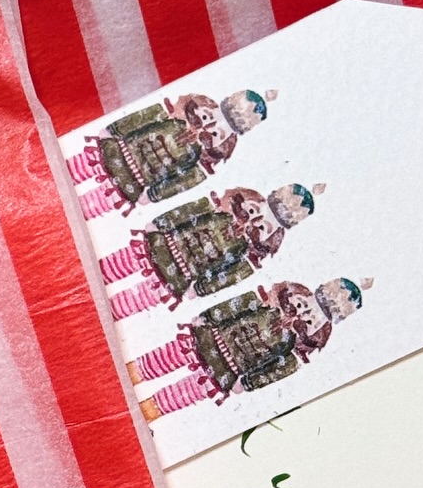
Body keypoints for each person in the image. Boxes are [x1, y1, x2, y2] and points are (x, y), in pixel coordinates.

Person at [129, 276, 369, 421]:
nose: (304, 314)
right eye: (305, 306)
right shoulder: (281, 296)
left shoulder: (308, 341)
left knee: (185, 393)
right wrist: (210, 316)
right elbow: (243, 303)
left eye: (313, 319)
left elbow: (282, 367)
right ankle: (130, 375)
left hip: (231, 369)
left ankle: (146, 413)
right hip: (212, 337)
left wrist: (248, 383)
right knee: (164, 358)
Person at [98, 183, 321, 317]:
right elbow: (194, 210)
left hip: (182, 276)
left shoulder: (256, 249)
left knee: (131, 303)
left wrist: (200, 290)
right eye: (252, 212)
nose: (250, 222)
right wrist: (162, 222)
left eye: (263, 227)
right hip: (165, 242)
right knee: (110, 268)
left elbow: (233, 273)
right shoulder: (226, 206)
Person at [66, 87, 275, 218]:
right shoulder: (178, 114)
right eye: (203, 118)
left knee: (87, 210)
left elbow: (185, 180)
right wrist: (115, 129)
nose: (202, 129)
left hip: (136, 182)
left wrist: (154, 195)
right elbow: (147, 116)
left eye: (215, 134)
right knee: (70, 172)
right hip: (118, 149)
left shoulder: (204, 157)